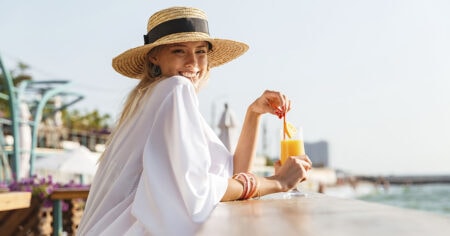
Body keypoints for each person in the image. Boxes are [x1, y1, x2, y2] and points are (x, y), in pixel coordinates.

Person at [77, 6, 312, 236]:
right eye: (179, 51)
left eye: (201, 51)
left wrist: (253, 114)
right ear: (154, 57)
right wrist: (278, 182)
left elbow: (233, 177)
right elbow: (197, 191)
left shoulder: (150, 98)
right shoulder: (176, 89)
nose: (193, 62)